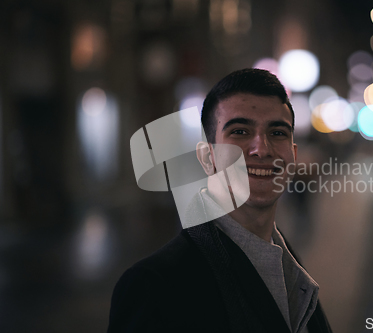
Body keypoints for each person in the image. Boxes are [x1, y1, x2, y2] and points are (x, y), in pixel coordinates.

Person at [107, 68, 332, 333]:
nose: (262, 148)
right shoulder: (154, 286)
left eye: (278, 133)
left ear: (293, 155)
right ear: (206, 158)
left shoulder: (290, 266)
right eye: (239, 132)